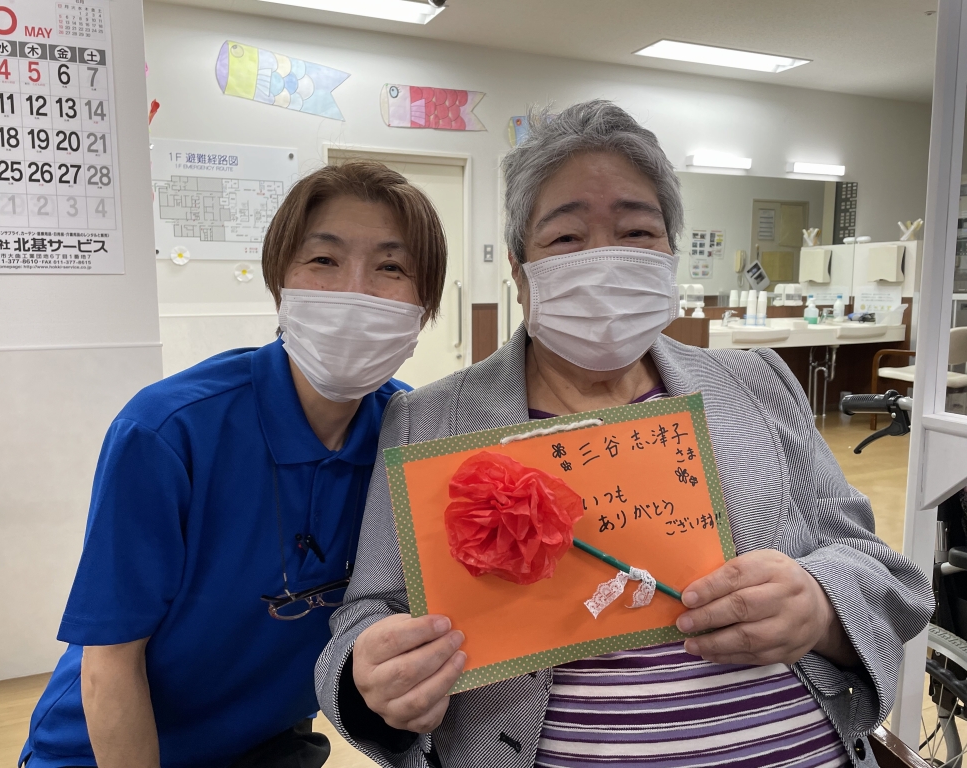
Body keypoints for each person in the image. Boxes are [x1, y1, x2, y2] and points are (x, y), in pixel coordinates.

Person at [315, 103, 934, 768]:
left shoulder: (755, 383)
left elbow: (885, 574)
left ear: (669, 255)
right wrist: (371, 678)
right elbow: (366, 615)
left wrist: (820, 606)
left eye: (637, 231)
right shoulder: (431, 420)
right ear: (520, 272)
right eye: (566, 238)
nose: (604, 260)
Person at [19, 160, 447, 768]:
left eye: (392, 268)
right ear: (280, 282)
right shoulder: (169, 431)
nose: (355, 290)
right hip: (103, 751)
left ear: (425, 303)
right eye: (323, 260)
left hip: (266, 744)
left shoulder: (411, 439)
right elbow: (109, 661)